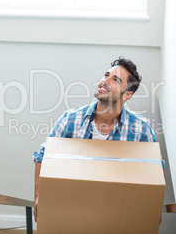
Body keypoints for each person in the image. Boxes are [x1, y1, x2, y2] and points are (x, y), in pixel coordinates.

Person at [32, 56, 156, 222]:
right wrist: (39, 197)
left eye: (115, 80)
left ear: (127, 95)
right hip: (73, 209)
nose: (105, 81)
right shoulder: (71, 119)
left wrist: (153, 207)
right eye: (106, 75)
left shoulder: (141, 129)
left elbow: (154, 169)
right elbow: (43, 156)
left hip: (116, 214)